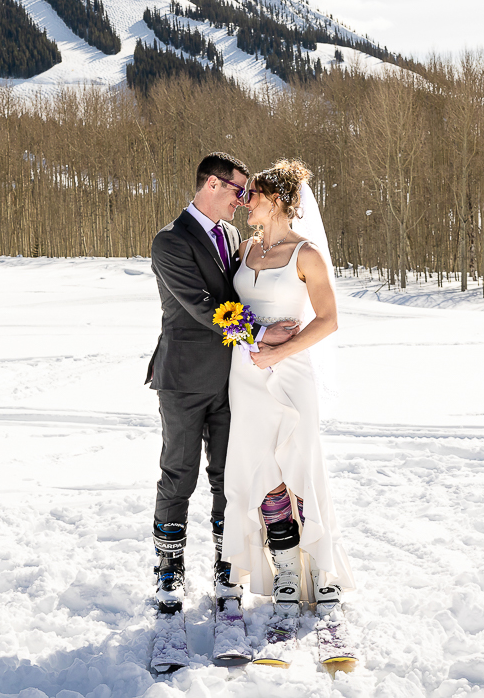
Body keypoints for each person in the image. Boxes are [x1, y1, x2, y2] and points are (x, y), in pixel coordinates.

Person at [145, 152, 296, 616]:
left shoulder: (232, 235)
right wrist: (257, 333)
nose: (242, 200)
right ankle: (168, 574)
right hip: (185, 380)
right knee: (179, 475)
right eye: (237, 190)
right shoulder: (169, 242)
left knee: (227, 478)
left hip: (231, 380)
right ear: (212, 184)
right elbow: (200, 303)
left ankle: (225, 566)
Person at [221, 158, 355, 640]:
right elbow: (226, 308)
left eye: (251, 195)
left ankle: (321, 574)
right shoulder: (245, 248)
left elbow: (328, 320)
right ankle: (284, 576)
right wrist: (253, 343)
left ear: (276, 200)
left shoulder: (307, 255)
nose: (243, 203)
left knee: (301, 466)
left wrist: (279, 351)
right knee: (263, 474)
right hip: (246, 373)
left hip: (291, 374)